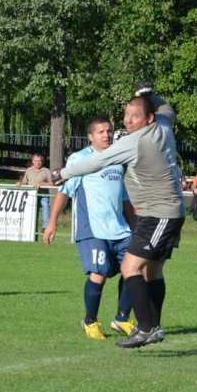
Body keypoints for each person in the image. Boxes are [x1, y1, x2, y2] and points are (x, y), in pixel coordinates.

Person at [54, 80, 186, 349]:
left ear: (148, 118)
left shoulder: (138, 141)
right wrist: (149, 95)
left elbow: (98, 160)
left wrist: (63, 173)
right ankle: (153, 326)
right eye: (125, 115)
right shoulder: (163, 124)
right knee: (152, 271)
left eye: (134, 116)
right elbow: (168, 109)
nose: (127, 121)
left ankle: (147, 328)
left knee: (130, 267)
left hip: (158, 214)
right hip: (167, 212)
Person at [43, 116, 136, 340]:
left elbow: (123, 199)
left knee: (135, 269)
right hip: (92, 229)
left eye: (109, 131)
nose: (107, 135)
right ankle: (90, 321)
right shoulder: (80, 159)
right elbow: (64, 191)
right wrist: (52, 222)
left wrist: (136, 227)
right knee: (98, 274)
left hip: (120, 230)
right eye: (102, 132)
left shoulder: (117, 159)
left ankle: (122, 318)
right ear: (90, 136)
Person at [15, 153, 53, 232]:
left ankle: (45, 226)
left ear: (42, 162)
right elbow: (25, 181)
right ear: (33, 161)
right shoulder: (29, 170)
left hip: (43, 194)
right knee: (32, 210)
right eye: (36, 161)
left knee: (45, 205)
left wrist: (42, 184)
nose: (38, 163)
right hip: (31, 194)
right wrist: (20, 183)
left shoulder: (46, 171)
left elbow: (51, 183)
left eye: (39, 161)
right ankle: (32, 228)